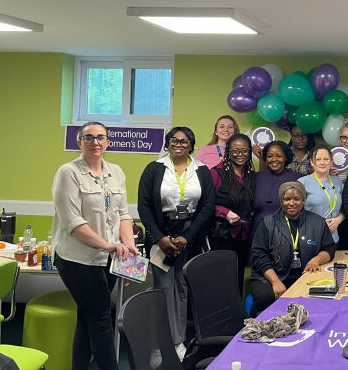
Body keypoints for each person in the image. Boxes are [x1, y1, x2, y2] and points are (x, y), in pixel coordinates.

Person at [51, 122, 138, 370]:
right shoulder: (68, 172)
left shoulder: (116, 172)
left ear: (108, 141)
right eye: (88, 137)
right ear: (79, 142)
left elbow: (123, 214)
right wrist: (108, 245)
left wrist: (128, 245)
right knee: (101, 318)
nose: (95, 142)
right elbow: (73, 223)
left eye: (100, 137)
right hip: (77, 259)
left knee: (86, 317)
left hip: (107, 259)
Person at [137, 127, 216, 360]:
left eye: (184, 141)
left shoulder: (201, 171)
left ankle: (178, 342)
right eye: (174, 140)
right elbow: (144, 205)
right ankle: (158, 344)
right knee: (162, 289)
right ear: (167, 143)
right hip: (161, 235)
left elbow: (208, 207)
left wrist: (188, 236)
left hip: (189, 236)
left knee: (181, 289)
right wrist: (159, 238)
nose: (178, 144)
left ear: (191, 145)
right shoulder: (154, 169)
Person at [249, 181, 336, 316]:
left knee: (321, 298)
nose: (291, 203)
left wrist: (316, 260)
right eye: (287, 199)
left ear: (303, 200)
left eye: (296, 199)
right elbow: (259, 257)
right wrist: (275, 281)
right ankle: (256, 327)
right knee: (266, 297)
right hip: (269, 276)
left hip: (303, 275)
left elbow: (329, 248)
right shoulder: (267, 223)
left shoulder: (318, 222)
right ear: (281, 201)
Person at [210, 133, 256, 292]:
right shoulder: (216, 172)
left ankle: (234, 314)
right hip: (220, 235)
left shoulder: (250, 175)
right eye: (235, 151)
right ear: (228, 152)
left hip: (243, 236)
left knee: (237, 278)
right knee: (220, 278)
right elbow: (206, 203)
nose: (240, 155)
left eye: (244, 151)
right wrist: (226, 213)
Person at [251, 140, 301, 242]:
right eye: (270, 156)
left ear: (286, 157)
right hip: (257, 230)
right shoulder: (255, 177)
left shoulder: (298, 178)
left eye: (278, 156)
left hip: (286, 231)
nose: (274, 159)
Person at [299, 146, 345, 242]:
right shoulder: (302, 182)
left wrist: (338, 220)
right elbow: (296, 212)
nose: (322, 163)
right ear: (311, 162)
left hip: (333, 238)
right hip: (311, 237)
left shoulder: (338, 182)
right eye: (318, 159)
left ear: (331, 162)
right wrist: (319, 224)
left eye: (326, 159)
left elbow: (345, 208)